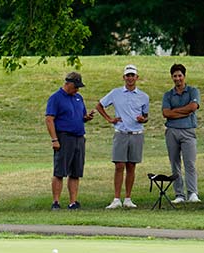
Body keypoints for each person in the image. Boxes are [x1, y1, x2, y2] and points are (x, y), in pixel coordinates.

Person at [95, 65, 149, 209]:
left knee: (131, 166)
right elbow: (99, 105)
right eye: (128, 75)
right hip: (121, 133)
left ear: (137, 77)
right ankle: (116, 198)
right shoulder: (115, 93)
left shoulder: (144, 96)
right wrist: (109, 119)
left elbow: (146, 116)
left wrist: (143, 119)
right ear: (123, 77)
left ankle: (128, 198)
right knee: (119, 165)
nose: (130, 78)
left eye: (133, 75)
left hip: (137, 134)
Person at [45, 72, 95, 211]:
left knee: (76, 172)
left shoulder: (78, 98)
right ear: (68, 84)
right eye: (76, 86)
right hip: (64, 137)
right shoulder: (56, 98)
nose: (77, 90)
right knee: (60, 170)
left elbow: (81, 116)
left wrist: (86, 118)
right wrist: (54, 139)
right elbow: (49, 119)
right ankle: (56, 201)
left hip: (79, 137)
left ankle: (73, 202)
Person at [162, 64, 201, 204]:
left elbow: (193, 107)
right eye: (174, 76)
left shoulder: (193, 91)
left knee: (189, 162)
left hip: (188, 131)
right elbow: (165, 113)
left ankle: (192, 193)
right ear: (172, 77)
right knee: (175, 163)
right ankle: (179, 194)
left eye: (179, 75)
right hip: (172, 131)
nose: (177, 78)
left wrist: (175, 112)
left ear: (184, 76)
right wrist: (184, 112)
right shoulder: (168, 95)